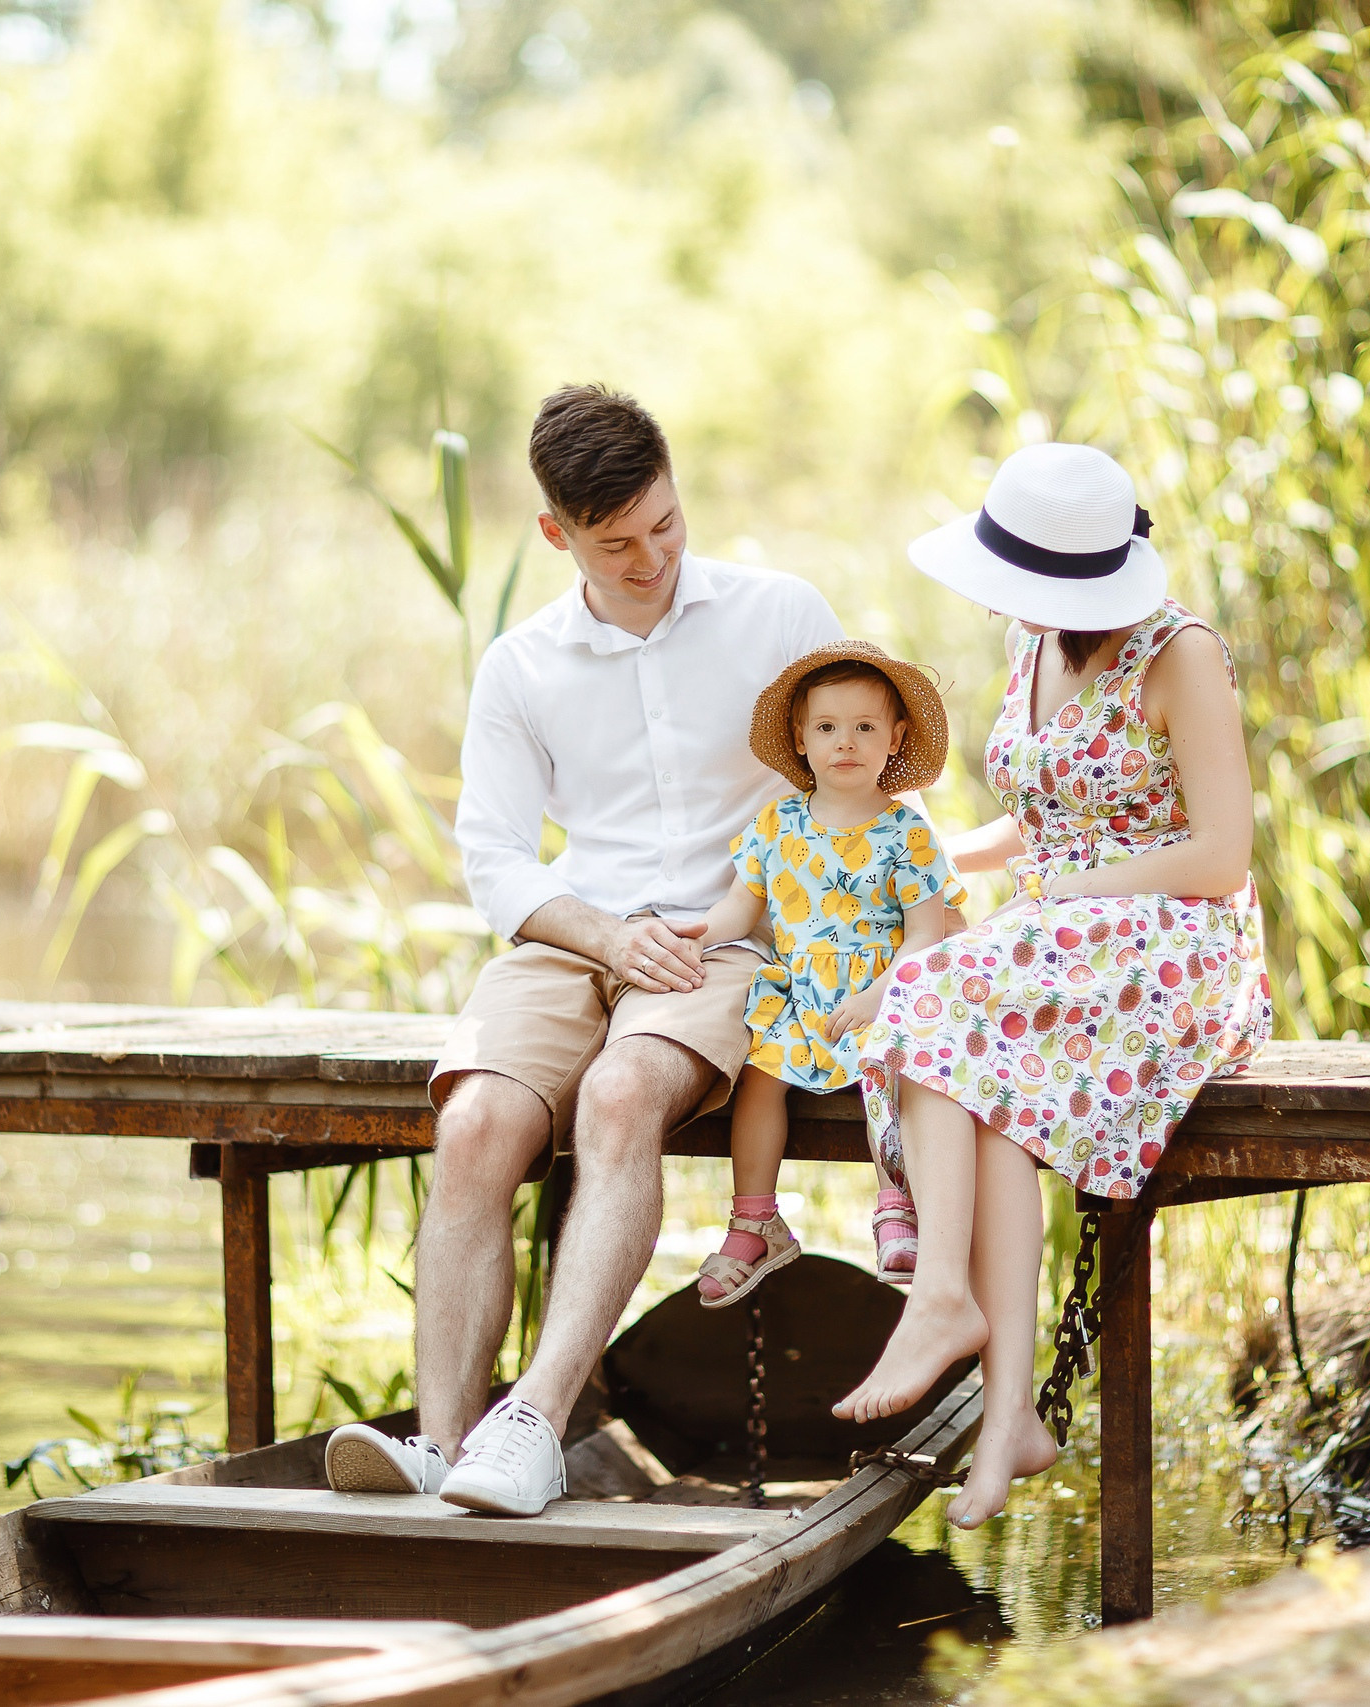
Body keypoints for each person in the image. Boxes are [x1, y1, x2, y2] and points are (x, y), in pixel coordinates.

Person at [325, 384, 843, 1516]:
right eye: (616, 543)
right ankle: (441, 1441)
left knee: (619, 1097)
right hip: (575, 936)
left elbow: (854, 792)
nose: (651, 556)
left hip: (723, 940)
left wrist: (773, 923)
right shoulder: (520, 665)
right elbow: (496, 860)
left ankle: (534, 1424)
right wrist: (604, 934)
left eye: (665, 524)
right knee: (473, 1125)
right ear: (557, 534)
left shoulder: (780, 613)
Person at [833, 442, 1272, 1528]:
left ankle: (942, 1295)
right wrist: (934, 849)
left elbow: (1220, 854)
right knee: (979, 1088)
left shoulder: (1182, 656)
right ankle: (1009, 1421)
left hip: (1178, 949)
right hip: (1069, 939)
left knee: (932, 987)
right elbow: (1038, 822)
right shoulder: (1040, 644)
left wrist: (1061, 892)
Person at [684, 642, 964, 1306]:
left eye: (866, 727)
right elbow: (738, 908)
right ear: (801, 738)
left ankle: (899, 1201)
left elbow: (928, 935)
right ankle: (754, 1218)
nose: (847, 743)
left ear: (895, 739)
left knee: (895, 1065)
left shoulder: (907, 835)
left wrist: (878, 995)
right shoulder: (777, 825)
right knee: (759, 1076)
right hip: (802, 992)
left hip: (884, 989)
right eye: (828, 727)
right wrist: (692, 933)